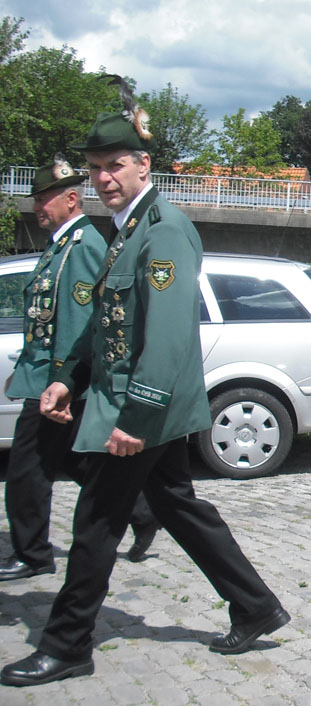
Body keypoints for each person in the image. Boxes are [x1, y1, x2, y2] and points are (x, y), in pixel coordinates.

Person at [1, 100, 287, 688]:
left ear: (142, 164)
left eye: (115, 165)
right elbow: (108, 324)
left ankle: (67, 644)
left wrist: (137, 416)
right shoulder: (126, 229)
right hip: (128, 402)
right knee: (177, 504)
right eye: (95, 168)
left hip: (140, 409)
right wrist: (68, 378)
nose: (104, 177)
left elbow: (167, 335)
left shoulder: (164, 231)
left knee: (96, 521)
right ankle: (255, 605)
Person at [2, 156, 161, 584]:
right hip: (46, 377)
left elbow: (82, 321)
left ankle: (33, 553)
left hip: (57, 381)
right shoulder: (62, 244)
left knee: (27, 469)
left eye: (45, 199)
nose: (37, 207)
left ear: (71, 199)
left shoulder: (84, 246)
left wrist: (63, 380)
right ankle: (142, 512)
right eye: (36, 199)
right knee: (81, 462)